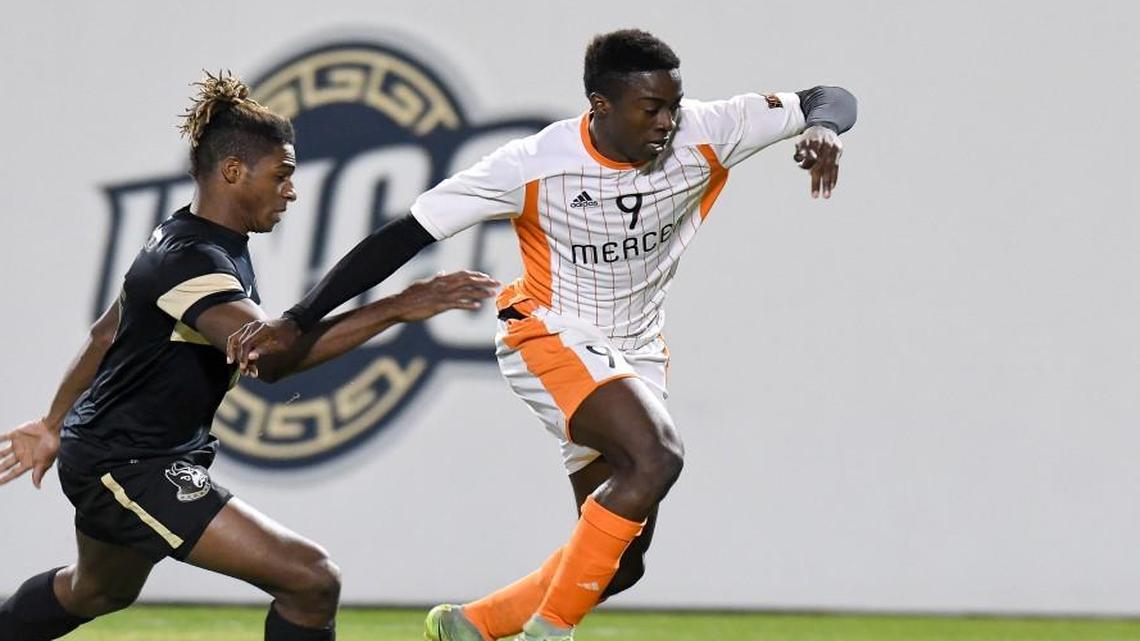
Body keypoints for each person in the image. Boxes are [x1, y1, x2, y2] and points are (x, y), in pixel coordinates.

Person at [228, 28, 857, 641]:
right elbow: (404, 235)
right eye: (651, 109)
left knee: (621, 562)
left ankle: (472, 625)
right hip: (548, 332)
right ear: (600, 106)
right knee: (657, 457)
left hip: (636, 350)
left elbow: (828, 97)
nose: (668, 121)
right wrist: (297, 317)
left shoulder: (710, 128)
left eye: (673, 104)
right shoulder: (534, 163)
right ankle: (547, 633)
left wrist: (823, 127)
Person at [0, 71, 498, 641]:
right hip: (129, 463)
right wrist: (398, 307)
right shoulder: (190, 259)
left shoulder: (187, 240)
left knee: (95, 590)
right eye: (282, 175)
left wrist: (50, 423)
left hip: (121, 452)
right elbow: (270, 359)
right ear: (233, 172)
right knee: (310, 579)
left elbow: (104, 335)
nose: (291, 191)